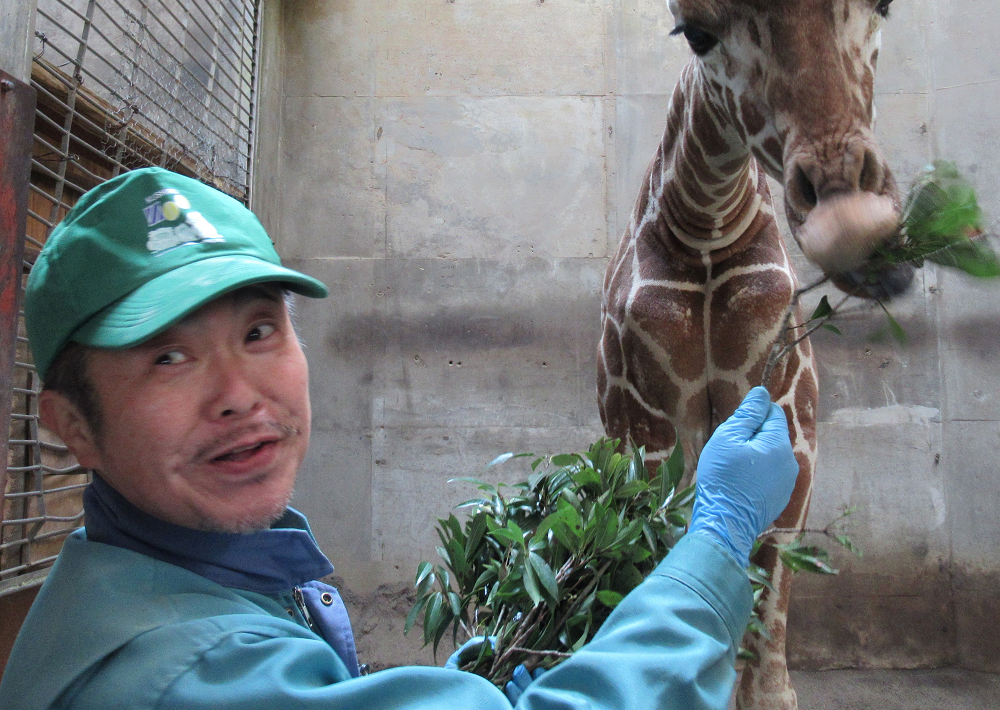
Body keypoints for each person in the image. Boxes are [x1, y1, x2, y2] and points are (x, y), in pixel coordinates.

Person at [0, 167, 800, 710]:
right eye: (167, 357)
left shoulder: (149, 577)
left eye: (258, 331)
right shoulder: (183, 675)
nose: (239, 398)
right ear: (73, 426)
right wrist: (717, 544)